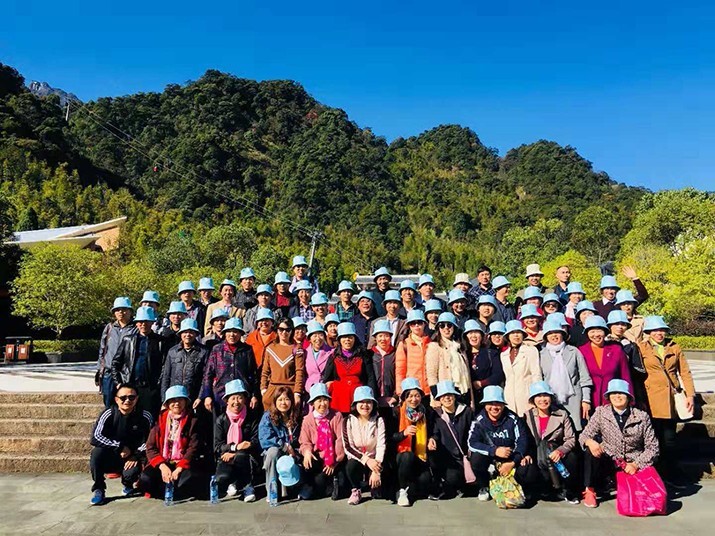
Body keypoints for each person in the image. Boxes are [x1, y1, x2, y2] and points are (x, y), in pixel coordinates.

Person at [579, 379, 659, 508]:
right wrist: (590, 441)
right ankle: (590, 490)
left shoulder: (642, 416)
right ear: (609, 397)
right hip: (609, 459)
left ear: (628, 397)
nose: (617, 396)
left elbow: (653, 447)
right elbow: (584, 435)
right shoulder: (601, 412)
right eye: (613, 393)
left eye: (621, 393)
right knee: (590, 451)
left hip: (633, 462)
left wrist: (635, 464)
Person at [638, 315, 696, 484]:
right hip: (650, 397)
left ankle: (669, 473)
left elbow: (685, 372)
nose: (659, 333)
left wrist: (690, 395)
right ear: (648, 332)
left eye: (662, 330)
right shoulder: (642, 348)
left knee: (669, 439)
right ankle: (654, 473)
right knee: (652, 437)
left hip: (671, 397)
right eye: (655, 330)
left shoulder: (674, 347)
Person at [467, 385, 537, 503]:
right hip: (490, 457)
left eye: (498, 403)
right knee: (476, 459)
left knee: (529, 469)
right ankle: (484, 486)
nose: (494, 407)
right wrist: (494, 450)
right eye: (490, 403)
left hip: (510, 457)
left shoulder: (513, 419)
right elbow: (472, 443)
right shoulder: (479, 420)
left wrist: (512, 462)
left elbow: (523, 441)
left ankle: (520, 488)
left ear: (503, 404)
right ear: (485, 404)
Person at [89, 383, 152, 505]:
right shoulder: (108, 414)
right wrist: (119, 447)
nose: (127, 401)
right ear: (117, 399)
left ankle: (128, 484)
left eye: (131, 397)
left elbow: (150, 440)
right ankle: (99, 489)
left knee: (131, 472)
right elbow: (95, 437)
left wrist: (136, 455)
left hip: (132, 457)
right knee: (96, 453)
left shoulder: (145, 416)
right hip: (111, 454)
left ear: (137, 399)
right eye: (123, 398)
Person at [139, 385, 204, 500]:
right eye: (173, 400)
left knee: (185, 483)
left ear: (185, 402)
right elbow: (150, 447)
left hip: (182, 462)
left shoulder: (193, 420)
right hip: (163, 461)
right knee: (145, 479)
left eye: (180, 399)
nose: (176, 403)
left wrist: (180, 468)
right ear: (167, 404)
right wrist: (162, 466)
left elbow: (193, 447)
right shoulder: (160, 420)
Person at [523, 381, 580, 504]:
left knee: (572, 458)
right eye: (538, 396)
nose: (542, 399)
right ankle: (532, 490)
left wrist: (560, 451)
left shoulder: (562, 415)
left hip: (555, 452)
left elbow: (571, 439)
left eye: (545, 395)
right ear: (533, 399)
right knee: (526, 465)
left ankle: (568, 491)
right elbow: (524, 439)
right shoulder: (527, 416)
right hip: (536, 452)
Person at [111, 306, 166, 419]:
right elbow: (115, 363)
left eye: (146, 321)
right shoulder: (128, 340)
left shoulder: (160, 341)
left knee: (150, 417)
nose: (143, 324)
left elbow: (164, 365)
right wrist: (119, 382)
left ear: (152, 322)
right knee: (130, 416)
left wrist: (158, 383)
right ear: (136, 323)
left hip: (150, 386)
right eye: (140, 322)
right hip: (131, 385)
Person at [538, 320, 593, 432]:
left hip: (573, 399)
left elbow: (584, 377)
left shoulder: (574, 351)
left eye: (557, 332)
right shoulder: (541, 355)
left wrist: (586, 400)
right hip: (551, 401)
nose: (554, 336)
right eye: (550, 333)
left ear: (563, 334)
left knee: (575, 430)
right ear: (546, 336)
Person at [213, 379, 260, 501]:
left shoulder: (252, 417)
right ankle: (233, 482)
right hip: (226, 457)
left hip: (248, 458)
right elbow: (217, 446)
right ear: (226, 401)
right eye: (232, 398)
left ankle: (248, 487)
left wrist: (239, 451)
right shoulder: (221, 420)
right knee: (221, 478)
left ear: (245, 399)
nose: (236, 402)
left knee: (240, 456)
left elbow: (256, 441)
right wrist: (234, 448)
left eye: (239, 398)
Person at [201, 318, 259, 416]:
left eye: (235, 332)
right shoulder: (217, 349)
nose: (232, 335)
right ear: (224, 333)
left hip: (241, 398)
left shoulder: (247, 350)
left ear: (240, 334)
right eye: (229, 331)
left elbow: (253, 375)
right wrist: (207, 395)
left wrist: (254, 395)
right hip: (220, 396)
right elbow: (208, 374)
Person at [299, 383, 346, 500]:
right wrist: (307, 452)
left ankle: (333, 483)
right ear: (313, 403)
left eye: (325, 400)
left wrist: (333, 462)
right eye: (318, 400)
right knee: (318, 481)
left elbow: (341, 440)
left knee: (340, 483)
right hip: (318, 458)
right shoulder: (307, 419)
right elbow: (305, 441)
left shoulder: (337, 416)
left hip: (334, 459)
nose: (322, 404)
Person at [391, 378, 434, 506]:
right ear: (404, 397)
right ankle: (402, 490)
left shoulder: (427, 412)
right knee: (407, 457)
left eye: (417, 395)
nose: (413, 399)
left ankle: (411, 487)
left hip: (420, 456)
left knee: (425, 481)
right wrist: (403, 433)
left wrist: (432, 439)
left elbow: (433, 431)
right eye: (409, 396)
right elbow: (389, 438)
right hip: (401, 455)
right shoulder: (396, 413)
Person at [430, 380, 474, 499]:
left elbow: (474, 432)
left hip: (467, 456)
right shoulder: (437, 415)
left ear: (455, 396)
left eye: (450, 394)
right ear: (439, 399)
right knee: (453, 478)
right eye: (443, 396)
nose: (447, 398)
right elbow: (435, 433)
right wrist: (432, 439)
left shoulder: (467, 412)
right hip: (449, 458)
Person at [342, 386, 387, 505]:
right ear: (355, 404)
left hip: (375, 459)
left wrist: (376, 469)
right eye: (361, 402)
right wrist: (366, 460)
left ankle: (375, 483)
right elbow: (348, 447)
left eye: (368, 402)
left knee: (380, 495)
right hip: (358, 459)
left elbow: (381, 445)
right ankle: (356, 490)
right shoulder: (348, 421)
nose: (365, 405)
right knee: (351, 466)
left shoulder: (379, 420)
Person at [322, 323, 377, 414]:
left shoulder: (363, 355)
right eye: (344, 337)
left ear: (355, 338)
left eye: (350, 337)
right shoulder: (333, 357)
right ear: (339, 340)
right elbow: (327, 379)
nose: (347, 340)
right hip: (339, 397)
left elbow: (370, 378)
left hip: (358, 396)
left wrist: (371, 397)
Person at [258, 386, 302, 501]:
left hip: (294, 453)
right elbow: (265, 438)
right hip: (276, 452)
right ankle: (272, 491)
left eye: (287, 399)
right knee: (273, 452)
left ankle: (296, 488)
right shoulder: (267, 417)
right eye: (280, 399)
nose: (283, 403)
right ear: (275, 401)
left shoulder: (297, 417)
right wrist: (285, 446)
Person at [579, 316, 632, 409]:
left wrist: (629, 399)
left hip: (613, 400)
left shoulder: (616, 349)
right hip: (590, 400)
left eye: (599, 331)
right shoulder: (581, 351)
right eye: (592, 332)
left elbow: (625, 376)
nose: (596, 335)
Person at [426, 312, 472, 408]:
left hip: (463, 391)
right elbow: (431, 374)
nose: (446, 328)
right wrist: (437, 396)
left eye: (449, 325)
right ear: (438, 329)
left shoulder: (460, 347)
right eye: (442, 326)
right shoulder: (434, 347)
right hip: (445, 395)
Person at [160, 318, 209, 405]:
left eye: (191, 332)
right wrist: (164, 399)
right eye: (185, 332)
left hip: (194, 396)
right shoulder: (172, 351)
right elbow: (166, 377)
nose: (188, 335)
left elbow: (205, 377)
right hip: (175, 397)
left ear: (195, 334)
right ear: (181, 334)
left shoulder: (203, 352)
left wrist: (200, 397)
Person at [98, 297, 136, 408]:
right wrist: (100, 369)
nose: (121, 312)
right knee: (109, 402)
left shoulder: (135, 328)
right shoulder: (109, 328)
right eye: (118, 310)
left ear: (130, 312)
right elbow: (102, 349)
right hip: (109, 372)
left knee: (127, 403)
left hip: (126, 373)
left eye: (124, 309)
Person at [261, 317, 306, 409]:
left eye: (287, 330)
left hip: (290, 391)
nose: (284, 332)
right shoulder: (270, 348)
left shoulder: (297, 349)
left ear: (291, 331)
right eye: (281, 329)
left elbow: (299, 372)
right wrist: (264, 390)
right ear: (277, 330)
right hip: (273, 390)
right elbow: (265, 372)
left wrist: (297, 393)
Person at [500, 320, 542, 416]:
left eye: (518, 333)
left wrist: (537, 396)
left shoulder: (531, 350)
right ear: (508, 336)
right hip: (509, 396)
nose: (516, 336)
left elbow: (536, 374)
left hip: (526, 394)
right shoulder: (503, 355)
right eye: (513, 333)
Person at [606, 310, 647, 407]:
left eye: (623, 324)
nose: (620, 327)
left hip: (627, 385)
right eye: (616, 324)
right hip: (607, 385)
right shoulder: (603, 344)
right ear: (610, 325)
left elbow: (639, 372)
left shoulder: (631, 346)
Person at [463, 320, 505, 404]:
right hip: (469, 397)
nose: (473, 336)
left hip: (489, 395)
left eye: (476, 332)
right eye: (470, 333)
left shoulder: (491, 353)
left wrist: (481, 383)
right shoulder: (463, 355)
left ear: (482, 336)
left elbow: (498, 374)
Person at [395, 310, 431, 400]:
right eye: (412, 323)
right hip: (412, 392)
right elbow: (400, 370)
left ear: (424, 324)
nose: (416, 326)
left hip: (429, 390)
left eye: (419, 322)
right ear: (409, 326)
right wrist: (400, 391)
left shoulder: (432, 343)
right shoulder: (404, 344)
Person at [369, 319, 398, 416]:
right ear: (375, 337)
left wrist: (395, 396)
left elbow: (400, 374)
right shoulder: (369, 354)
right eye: (380, 336)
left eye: (386, 335)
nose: (383, 339)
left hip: (391, 399)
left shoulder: (396, 353)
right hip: (373, 399)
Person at [304, 320, 333, 393]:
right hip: (310, 390)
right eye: (314, 336)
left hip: (326, 390)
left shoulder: (332, 352)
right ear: (309, 339)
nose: (318, 338)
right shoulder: (304, 353)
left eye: (320, 335)